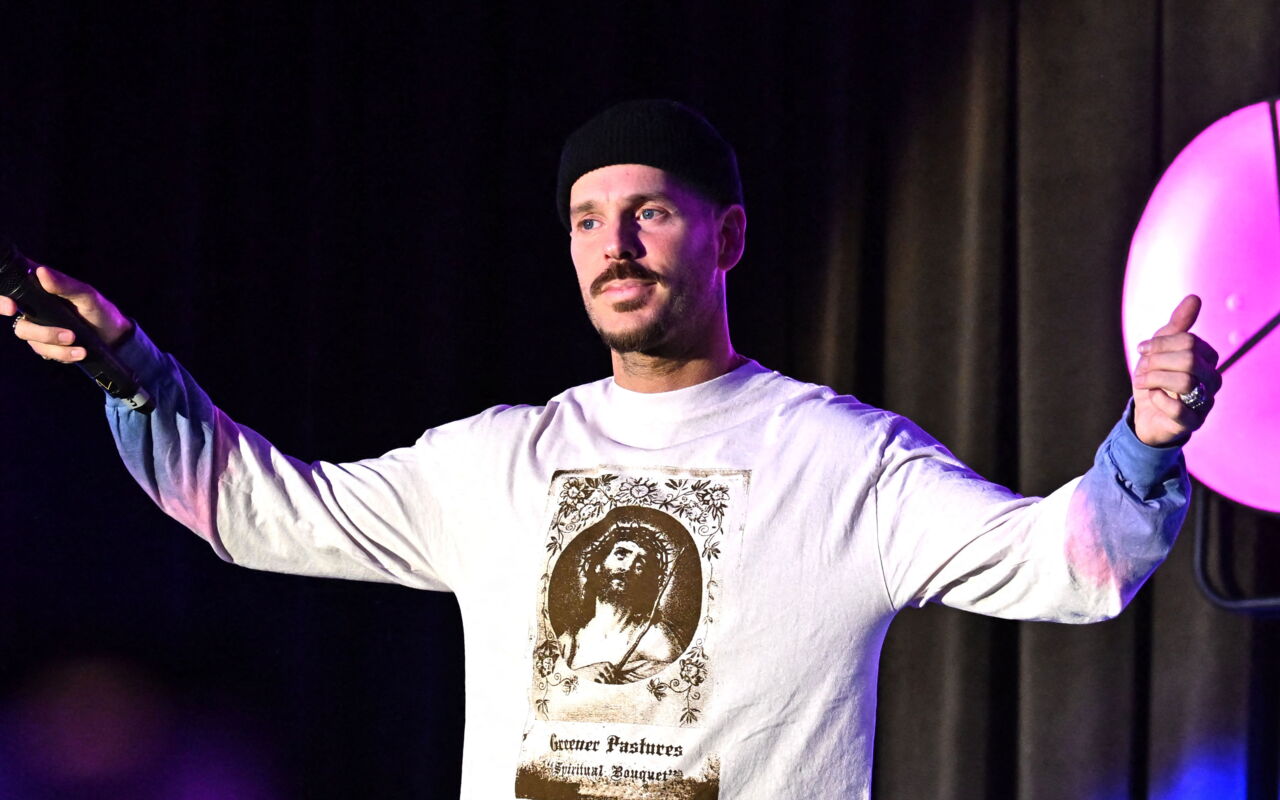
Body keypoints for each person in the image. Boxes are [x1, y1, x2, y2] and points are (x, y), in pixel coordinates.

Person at [2, 99, 1222, 799]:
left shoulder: (841, 458)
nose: (614, 243)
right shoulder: (495, 460)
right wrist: (129, 367)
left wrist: (1145, 439)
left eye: (647, 211)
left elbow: (1070, 566)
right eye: (587, 218)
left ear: (725, 236)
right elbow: (257, 508)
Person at [558, 520, 682, 685]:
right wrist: (582, 675)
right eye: (621, 555)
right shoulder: (570, 640)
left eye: (640, 565)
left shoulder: (654, 636)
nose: (628, 567)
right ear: (597, 565)